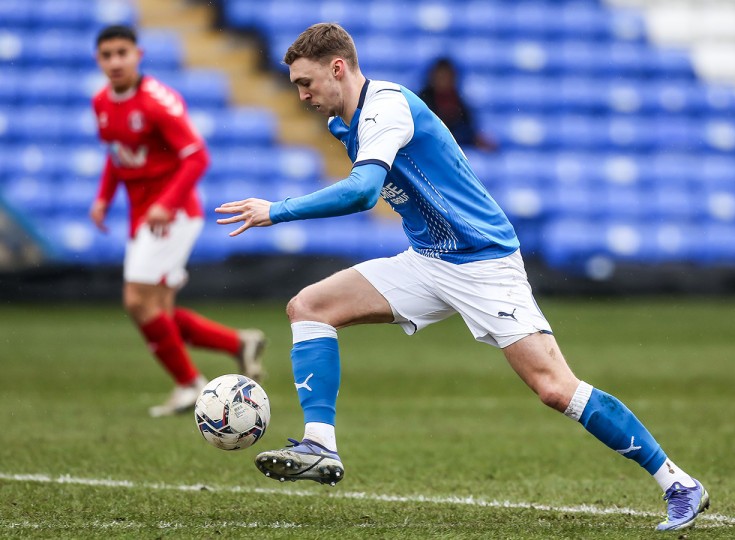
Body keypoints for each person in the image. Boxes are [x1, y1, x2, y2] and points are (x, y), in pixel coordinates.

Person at [215, 23, 708, 531]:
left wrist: (276, 210)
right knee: (309, 307)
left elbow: (364, 193)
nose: (301, 95)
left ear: (338, 68)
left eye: (306, 82)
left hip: (483, 262)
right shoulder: (346, 120)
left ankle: (678, 482)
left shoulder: (385, 107)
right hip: (429, 260)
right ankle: (321, 444)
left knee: (555, 389)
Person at [90, 25, 267, 417]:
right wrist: (103, 198)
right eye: (107, 55)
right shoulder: (102, 102)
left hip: (173, 214)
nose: (115, 61)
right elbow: (116, 154)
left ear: (139, 54)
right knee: (160, 311)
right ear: (98, 60)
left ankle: (189, 384)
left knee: (137, 300)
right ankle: (238, 344)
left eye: (123, 52)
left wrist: (167, 203)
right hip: (145, 216)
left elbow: (197, 157)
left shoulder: (158, 102)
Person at [418, 57, 497, 151]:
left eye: (446, 76)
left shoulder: (460, 102)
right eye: (440, 76)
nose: (443, 81)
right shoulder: (422, 101)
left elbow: (468, 131)